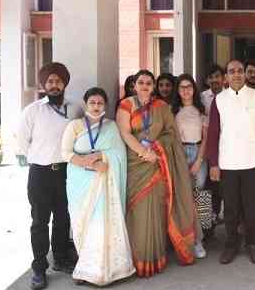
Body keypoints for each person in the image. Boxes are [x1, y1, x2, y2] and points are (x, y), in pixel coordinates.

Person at [116, 69, 198, 277]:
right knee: (138, 211)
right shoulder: (125, 105)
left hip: (158, 164)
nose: (145, 86)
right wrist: (143, 151)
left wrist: (156, 149)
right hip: (136, 164)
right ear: (134, 85)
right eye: (141, 82)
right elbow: (124, 132)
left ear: (153, 87)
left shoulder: (162, 107)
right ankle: (137, 258)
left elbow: (171, 133)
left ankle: (156, 257)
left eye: (148, 83)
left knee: (157, 210)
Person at [18, 62, 83, 290]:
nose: (54, 85)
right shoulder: (33, 110)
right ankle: (38, 267)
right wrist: (40, 159)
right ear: (44, 85)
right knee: (39, 221)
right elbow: (22, 143)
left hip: (66, 172)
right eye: (50, 81)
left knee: (63, 218)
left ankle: (61, 259)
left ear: (64, 83)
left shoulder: (75, 109)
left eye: (58, 81)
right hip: (40, 173)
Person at [61, 87, 135, 286]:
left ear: (105, 105)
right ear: (86, 104)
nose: (96, 106)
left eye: (100, 103)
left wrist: (103, 157)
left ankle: (112, 269)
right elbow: (65, 154)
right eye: (92, 102)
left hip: (104, 183)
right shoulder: (75, 126)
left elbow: (119, 153)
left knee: (102, 225)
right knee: (82, 225)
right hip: (80, 181)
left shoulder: (111, 126)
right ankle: (85, 269)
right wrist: (89, 162)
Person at [206, 60, 255, 265]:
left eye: (240, 71)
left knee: (252, 207)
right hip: (227, 163)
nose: (236, 74)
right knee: (231, 208)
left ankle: (252, 243)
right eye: (231, 71)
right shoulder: (219, 100)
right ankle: (231, 244)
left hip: (253, 161)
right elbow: (213, 134)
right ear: (226, 76)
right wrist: (214, 163)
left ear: (245, 74)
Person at [172, 73, 210, 259]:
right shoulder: (173, 111)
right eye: (182, 87)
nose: (186, 90)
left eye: (189, 86)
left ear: (194, 89)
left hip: (198, 153)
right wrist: (181, 161)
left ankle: (198, 240)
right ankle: (184, 240)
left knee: (198, 195)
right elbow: (174, 139)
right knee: (183, 198)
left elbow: (206, 138)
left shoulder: (200, 110)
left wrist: (198, 161)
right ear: (177, 90)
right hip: (180, 153)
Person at [200, 64, 225, 229]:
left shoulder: (230, 96)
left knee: (226, 184)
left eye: (217, 76)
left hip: (227, 146)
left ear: (223, 78)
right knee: (208, 185)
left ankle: (227, 219)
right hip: (207, 146)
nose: (214, 80)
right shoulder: (201, 97)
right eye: (211, 77)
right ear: (207, 80)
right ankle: (207, 223)